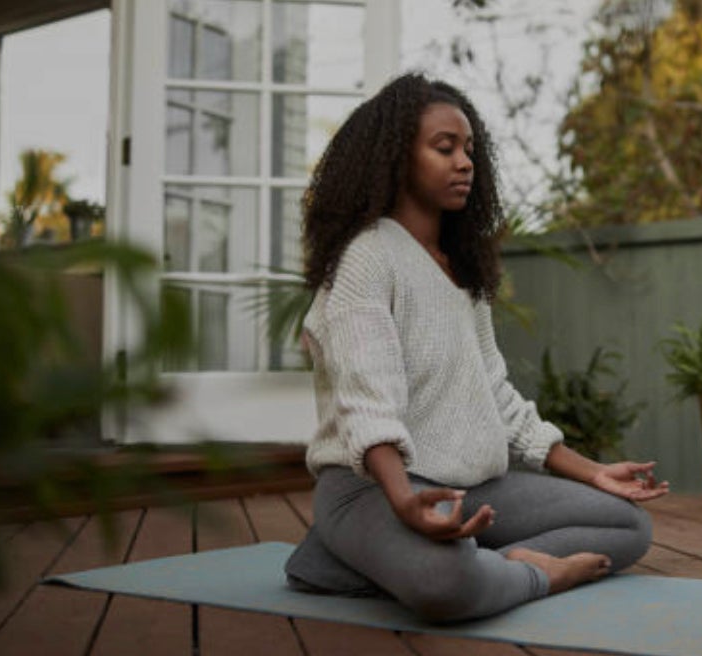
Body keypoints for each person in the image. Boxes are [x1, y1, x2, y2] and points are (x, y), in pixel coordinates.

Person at [284, 72, 669, 623]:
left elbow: (497, 397)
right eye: (445, 148)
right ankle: (528, 572)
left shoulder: (462, 270)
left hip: (471, 485)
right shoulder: (366, 257)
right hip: (372, 488)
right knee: (445, 582)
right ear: (395, 158)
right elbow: (366, 405)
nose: (465, 162)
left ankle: (396, 562)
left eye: (468, 149)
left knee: (627, 524)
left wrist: (593, 472)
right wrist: (404, 503)